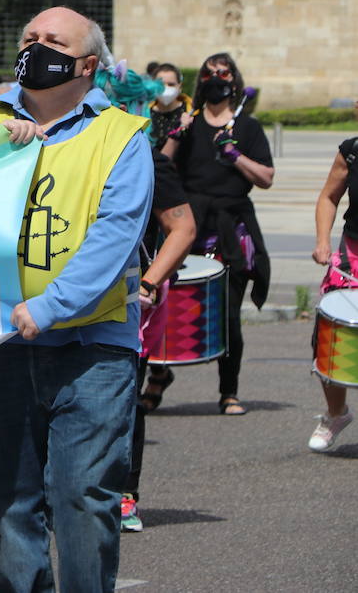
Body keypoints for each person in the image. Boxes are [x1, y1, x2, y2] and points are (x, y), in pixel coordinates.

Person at [0, 6, 153, 593]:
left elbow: (113, 236)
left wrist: (47, 308)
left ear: (87, 64)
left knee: (81, 501)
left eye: (52, 41)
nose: (35, 46)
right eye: (29, 37)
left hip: (91, 349)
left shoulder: (122, 135)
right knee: (5, 504)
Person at [159, 53, 273, 416]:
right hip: (187, 226)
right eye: (209, 74)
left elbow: (267, 178)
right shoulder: (187, 122)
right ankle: (157, 379)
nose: (215, 80)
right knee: (163, 306)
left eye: (222, 74)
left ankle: (229, 391)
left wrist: (235, 154)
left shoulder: (248, 128)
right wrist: (176, 135)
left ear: (234, 81)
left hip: (230, 229)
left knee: (229, 316)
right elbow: (161, 167)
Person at [121, 152, 195, 531]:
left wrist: (149, 282)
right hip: (58, 295)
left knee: (123, 399)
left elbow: (182, 228)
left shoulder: (146, 157)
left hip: (132, 299)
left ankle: (124, 495)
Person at [307, 138, 358, 451]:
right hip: (352, 254)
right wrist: (323, 241)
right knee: (330, 335)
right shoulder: (352, 151)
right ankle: (336, 413)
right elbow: (328, 196)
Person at [146, 63, 188, 150]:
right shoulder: (145, 115)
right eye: (161, 84)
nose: (166, 88)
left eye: (171, 84)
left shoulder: (190, 112)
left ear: (180, 86)